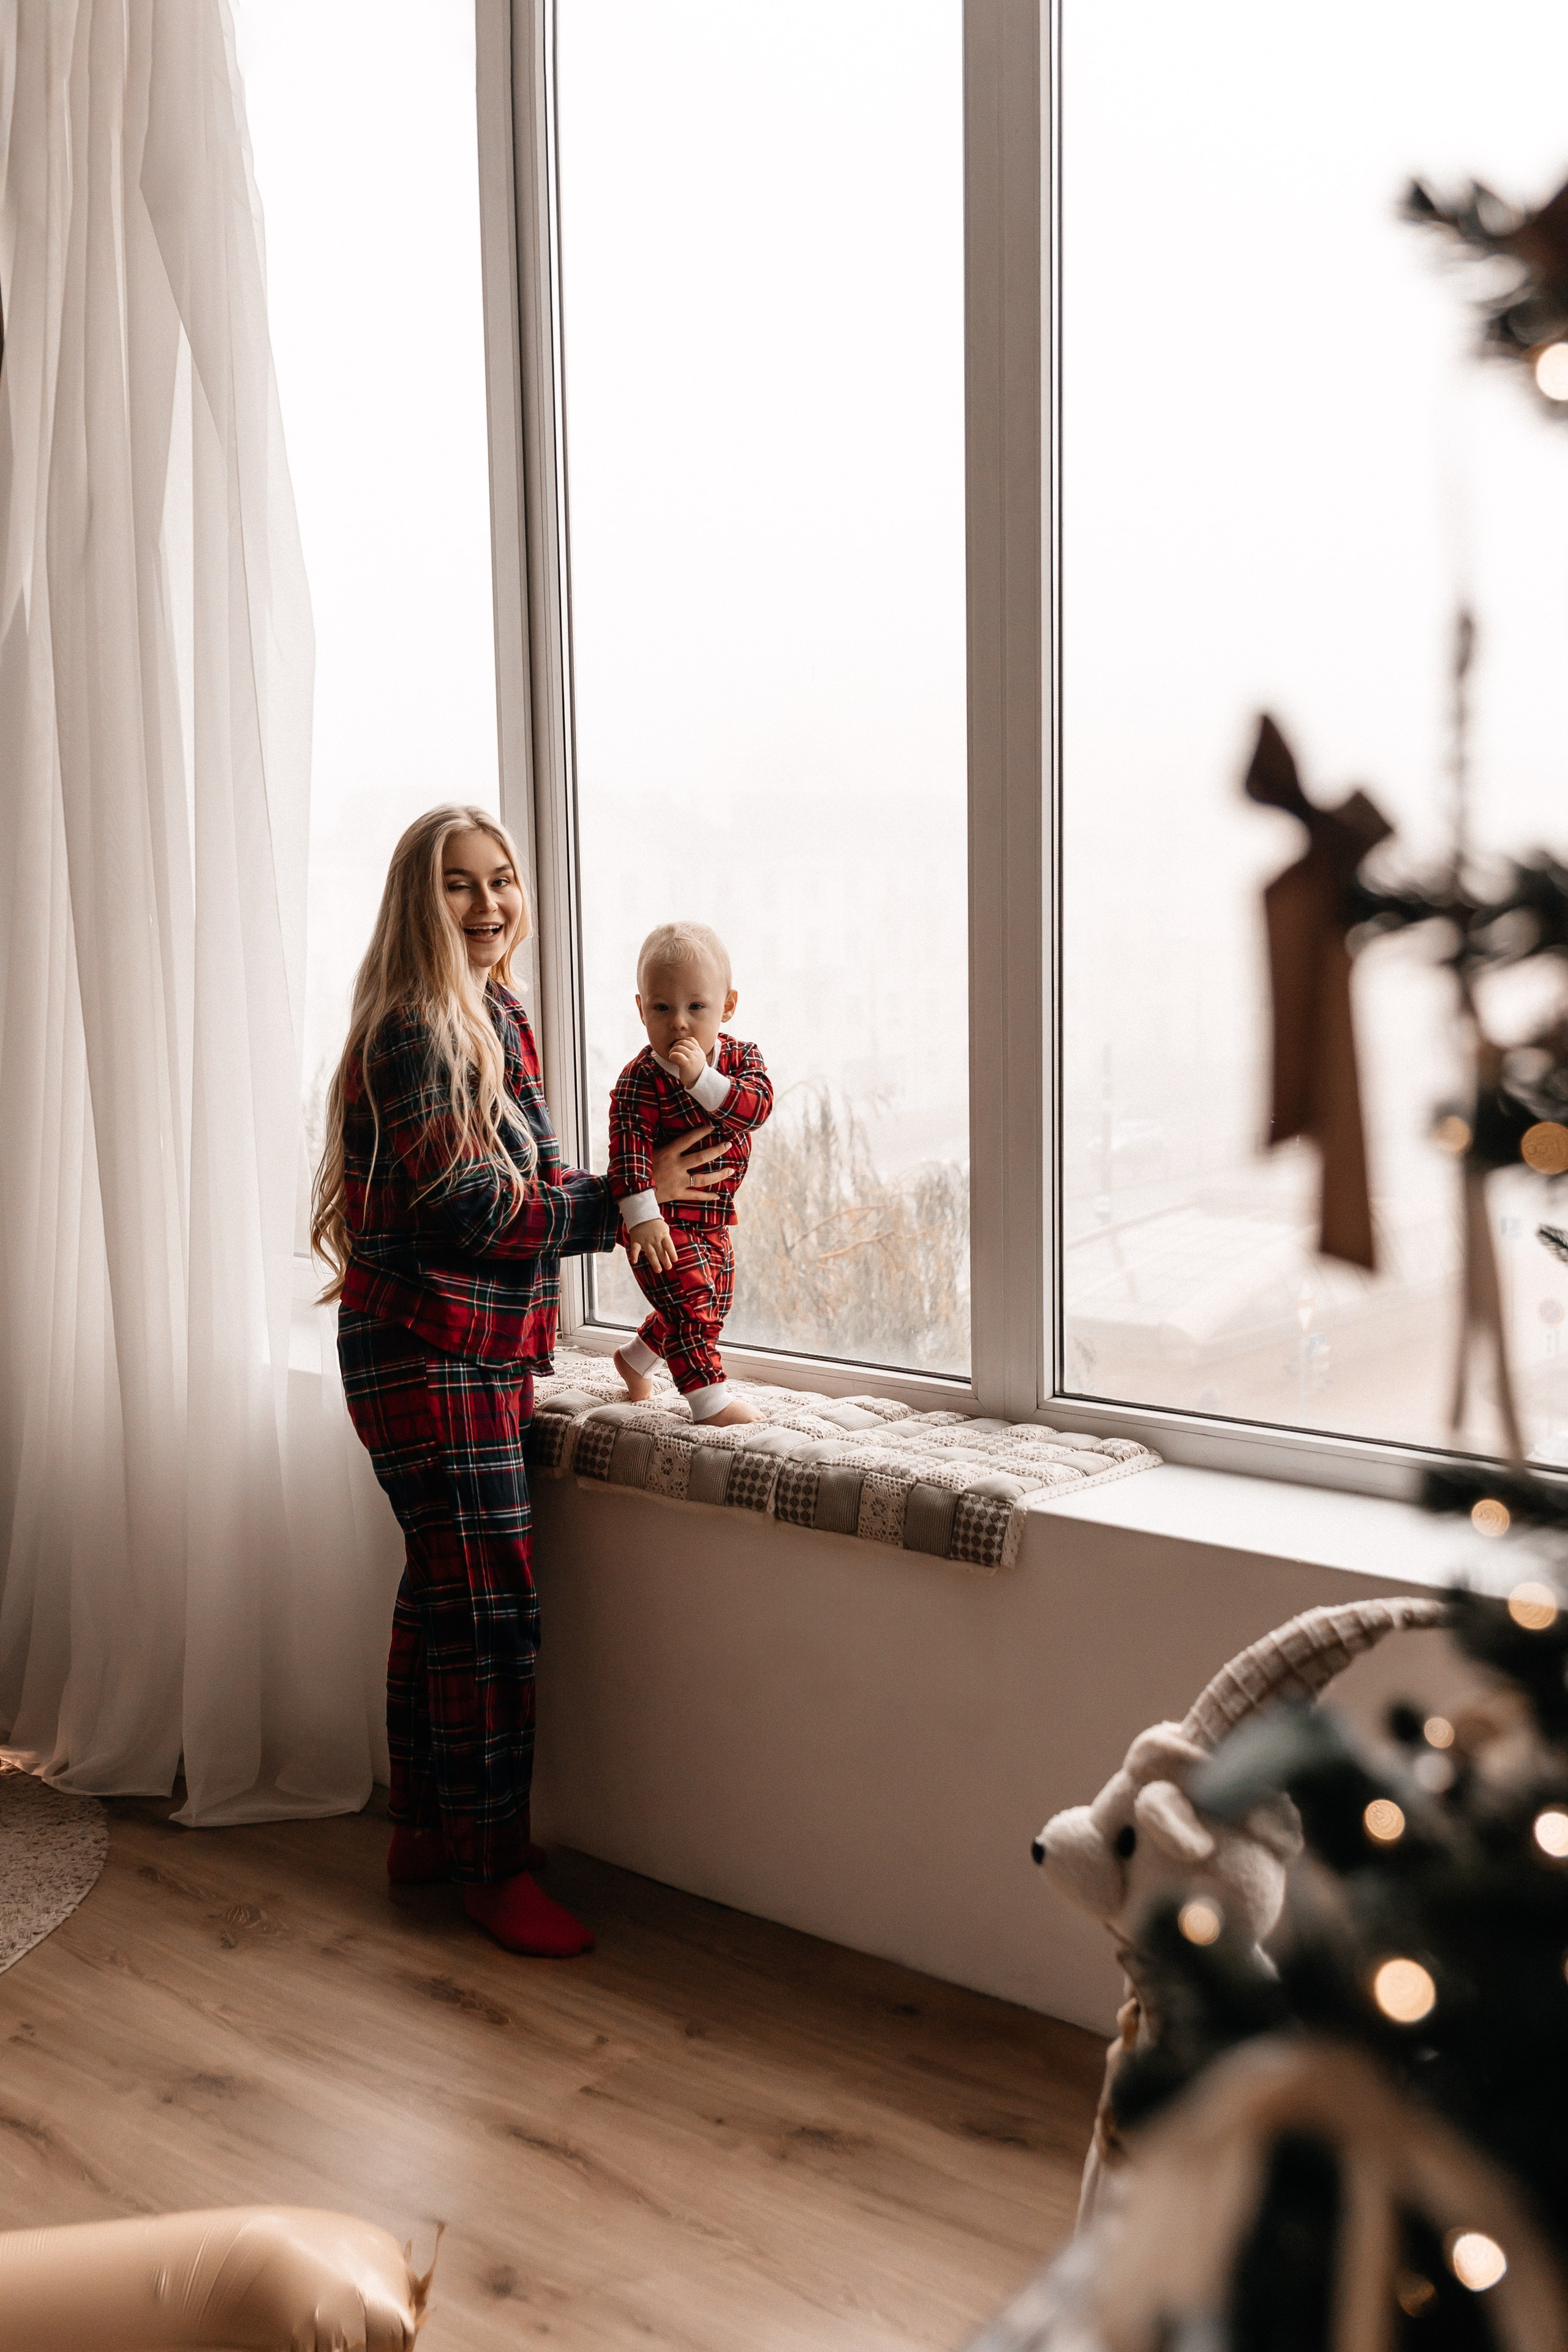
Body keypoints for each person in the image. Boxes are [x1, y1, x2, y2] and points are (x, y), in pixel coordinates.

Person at [311, 808, 724, 1956]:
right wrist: (629, 1206)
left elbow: (533, 1171)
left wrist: (635, 1186)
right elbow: (475, 1209)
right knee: (493, 1609)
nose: (490, 906)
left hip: (470, 1347)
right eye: (459, 886)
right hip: (425, 1347)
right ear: (416, 901)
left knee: (442, 1589)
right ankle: (491, 1869)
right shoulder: (416, 1033)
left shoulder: (497, 1013)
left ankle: (431, 1829)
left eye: (502, 882)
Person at [609, 921, 772, 1427]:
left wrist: (702, 1080)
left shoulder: (742, 1059)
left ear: (726, 1006)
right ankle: (709, 1401)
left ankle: (636, 1359)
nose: (679, 1024)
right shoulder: (640, 1080)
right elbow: (628, 1154)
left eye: (695, 1008)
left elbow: (756, 1109)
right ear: (641, 1010)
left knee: (713, 1299)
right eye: (662, 1008)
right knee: (694, 1300)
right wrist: (642, 1218)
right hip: (659, 1222)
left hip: (714, 1216)